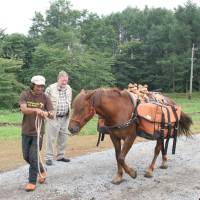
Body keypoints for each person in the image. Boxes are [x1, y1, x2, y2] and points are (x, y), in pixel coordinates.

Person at [19, 75, 54, 192]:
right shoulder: (25, 95)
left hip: (38, 132)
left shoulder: (45, 97)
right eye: (38, 86)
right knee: (26, 156)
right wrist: (35, 110)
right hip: (26, 131)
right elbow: (23, 109)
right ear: (33, 85)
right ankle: (42, 169)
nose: (40, 88)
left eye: (42, 86)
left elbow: (52, 113)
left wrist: (46, 113)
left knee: (33, 156)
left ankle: (31, 181)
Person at [45, 71, 72, 166]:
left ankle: (61, 156)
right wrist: (47, 113)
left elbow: (69, 101)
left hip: (65, 117)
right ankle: (48, 157)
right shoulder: (50, 88)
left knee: (63, 137)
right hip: (53, 117)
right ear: (58, 79)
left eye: (66, 80)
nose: (65, 82)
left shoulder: (69, 88)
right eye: (63, 80)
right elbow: (44, 101)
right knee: (51, 138)